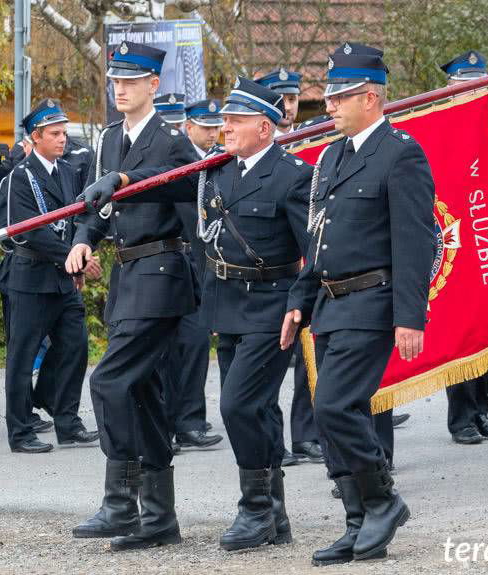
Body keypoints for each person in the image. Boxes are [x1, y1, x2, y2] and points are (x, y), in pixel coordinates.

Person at [281, 42, 436, 565]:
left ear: (370, 97)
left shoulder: (400, 152)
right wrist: (298, 301)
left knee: (334, 406)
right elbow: (315, 239)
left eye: (340, 97)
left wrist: (410, 317)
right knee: (329, 418)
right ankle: (358, 522)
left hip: (373, 300)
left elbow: (417, 242)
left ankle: (383, 501)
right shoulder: (330, 155)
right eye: (329, 96)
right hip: (329, 304)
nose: (328, 106)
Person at [66, 41, 199, 550]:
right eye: (115, 81)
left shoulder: (170, 139)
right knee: (142, 395)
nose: (120, 89)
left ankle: (121, 500)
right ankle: (160, 518)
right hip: (127, 279)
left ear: (153, 86)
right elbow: (100, 206)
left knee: (110, 382)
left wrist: (124, 177)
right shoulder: (108, 139)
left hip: (162, 274)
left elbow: (188, 184)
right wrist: (82, 240)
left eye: (131, 81)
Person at [194, 76, 312, 550]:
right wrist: (117, 183)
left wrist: (300, 305)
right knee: (258, 407)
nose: (226, 128)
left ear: (264, 127)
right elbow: (164, 187)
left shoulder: (293, 175)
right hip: (227, 305)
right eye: (225, 120)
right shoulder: (219, 171)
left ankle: (255, 508)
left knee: (237, 405)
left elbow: (314, 250)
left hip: (272, 306)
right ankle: (276, 516)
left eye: (237, 121)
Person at [2, 98, 99, 454]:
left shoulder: (67, 171)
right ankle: (20, 430)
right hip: (31, 278)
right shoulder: (20, 176)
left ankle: (67, 421)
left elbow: (76, 220)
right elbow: (28, 231)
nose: (63, 139)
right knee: (22, 356)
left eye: (64, 133)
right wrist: (74, 258)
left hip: (62, 278)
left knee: (75, 345)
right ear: (36, 137)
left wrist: (83, 249)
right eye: (55, 134)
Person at [256, 67, 325, 466]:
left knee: (309, 354)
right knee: (271, 361)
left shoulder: (316, 140)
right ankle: (271, 439)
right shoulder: (254, 146)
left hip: (310, 256)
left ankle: (307, 433)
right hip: (274, 264)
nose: (287, 106)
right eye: (279, 98)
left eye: (294, 98)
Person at [438, 50, 488, 445]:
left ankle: (481, 410)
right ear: (449, 89)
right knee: (458, 328)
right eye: (462, 86)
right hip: (456, 240)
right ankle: (460, 416)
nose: (469, 93)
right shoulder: (437, 126)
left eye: (475, 85)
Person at [159, 98, 227, 451]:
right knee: (168, 351)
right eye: (205, 126)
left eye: (216, 126)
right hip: (175, 263)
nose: (213, 132)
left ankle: (191, 421)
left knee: (197, 344)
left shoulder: (219, 164)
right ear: (189, 128)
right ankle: (166, 424)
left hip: (204, 267)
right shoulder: (177, 164)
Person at [256, 68, 301, 138]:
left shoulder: (309, 137)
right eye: (280, 101)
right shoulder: (255, 144)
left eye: (292, 99)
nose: (287, 107)